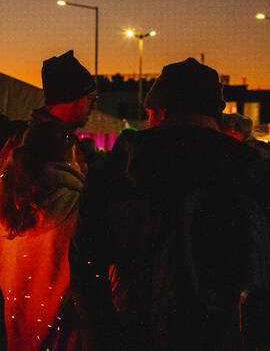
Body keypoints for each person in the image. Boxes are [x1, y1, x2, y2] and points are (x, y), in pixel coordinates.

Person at [70, 58, 270, 350]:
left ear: (160, 112)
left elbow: (86, 265)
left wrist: (102, 335)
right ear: (215, 115)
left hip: (134, 334)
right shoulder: (254, 172)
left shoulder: (116, 171)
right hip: (228, 337)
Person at [0, 121, 84, 351]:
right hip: (61, 322)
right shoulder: (75, 202)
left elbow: (2, 268)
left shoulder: (8, 202)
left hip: (17, 314)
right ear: (68, 152)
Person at [31, 50, 98, 172]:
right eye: (90, 99)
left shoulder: (64, 140)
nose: (94, 106)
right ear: (70, 98)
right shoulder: (45, 147)